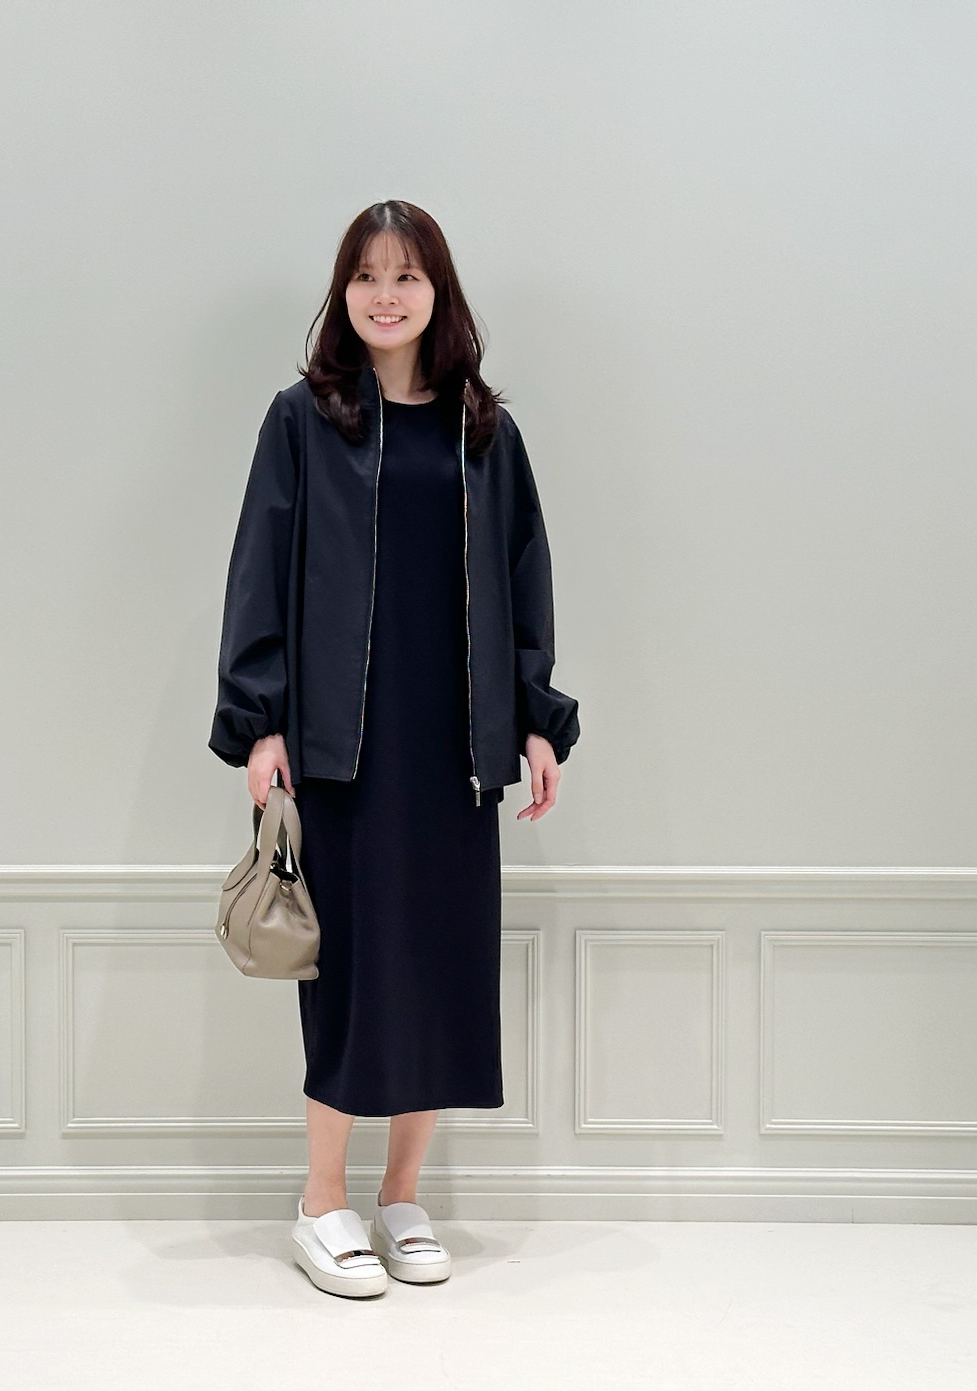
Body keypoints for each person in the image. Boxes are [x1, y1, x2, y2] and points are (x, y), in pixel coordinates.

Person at [209, 200, 581, 1298]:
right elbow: (259, 567)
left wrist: (535, 717)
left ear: (437, 292)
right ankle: (321, 1202)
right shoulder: (302, 421)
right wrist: (260, 721)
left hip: (456, 749)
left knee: (440, 971)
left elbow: (524, 575)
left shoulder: (483, 429)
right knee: (353, 978)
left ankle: (401, 1194)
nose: (386, 294)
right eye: (367, 275)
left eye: (407, 276)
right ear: (344, 292)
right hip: (344, 750)